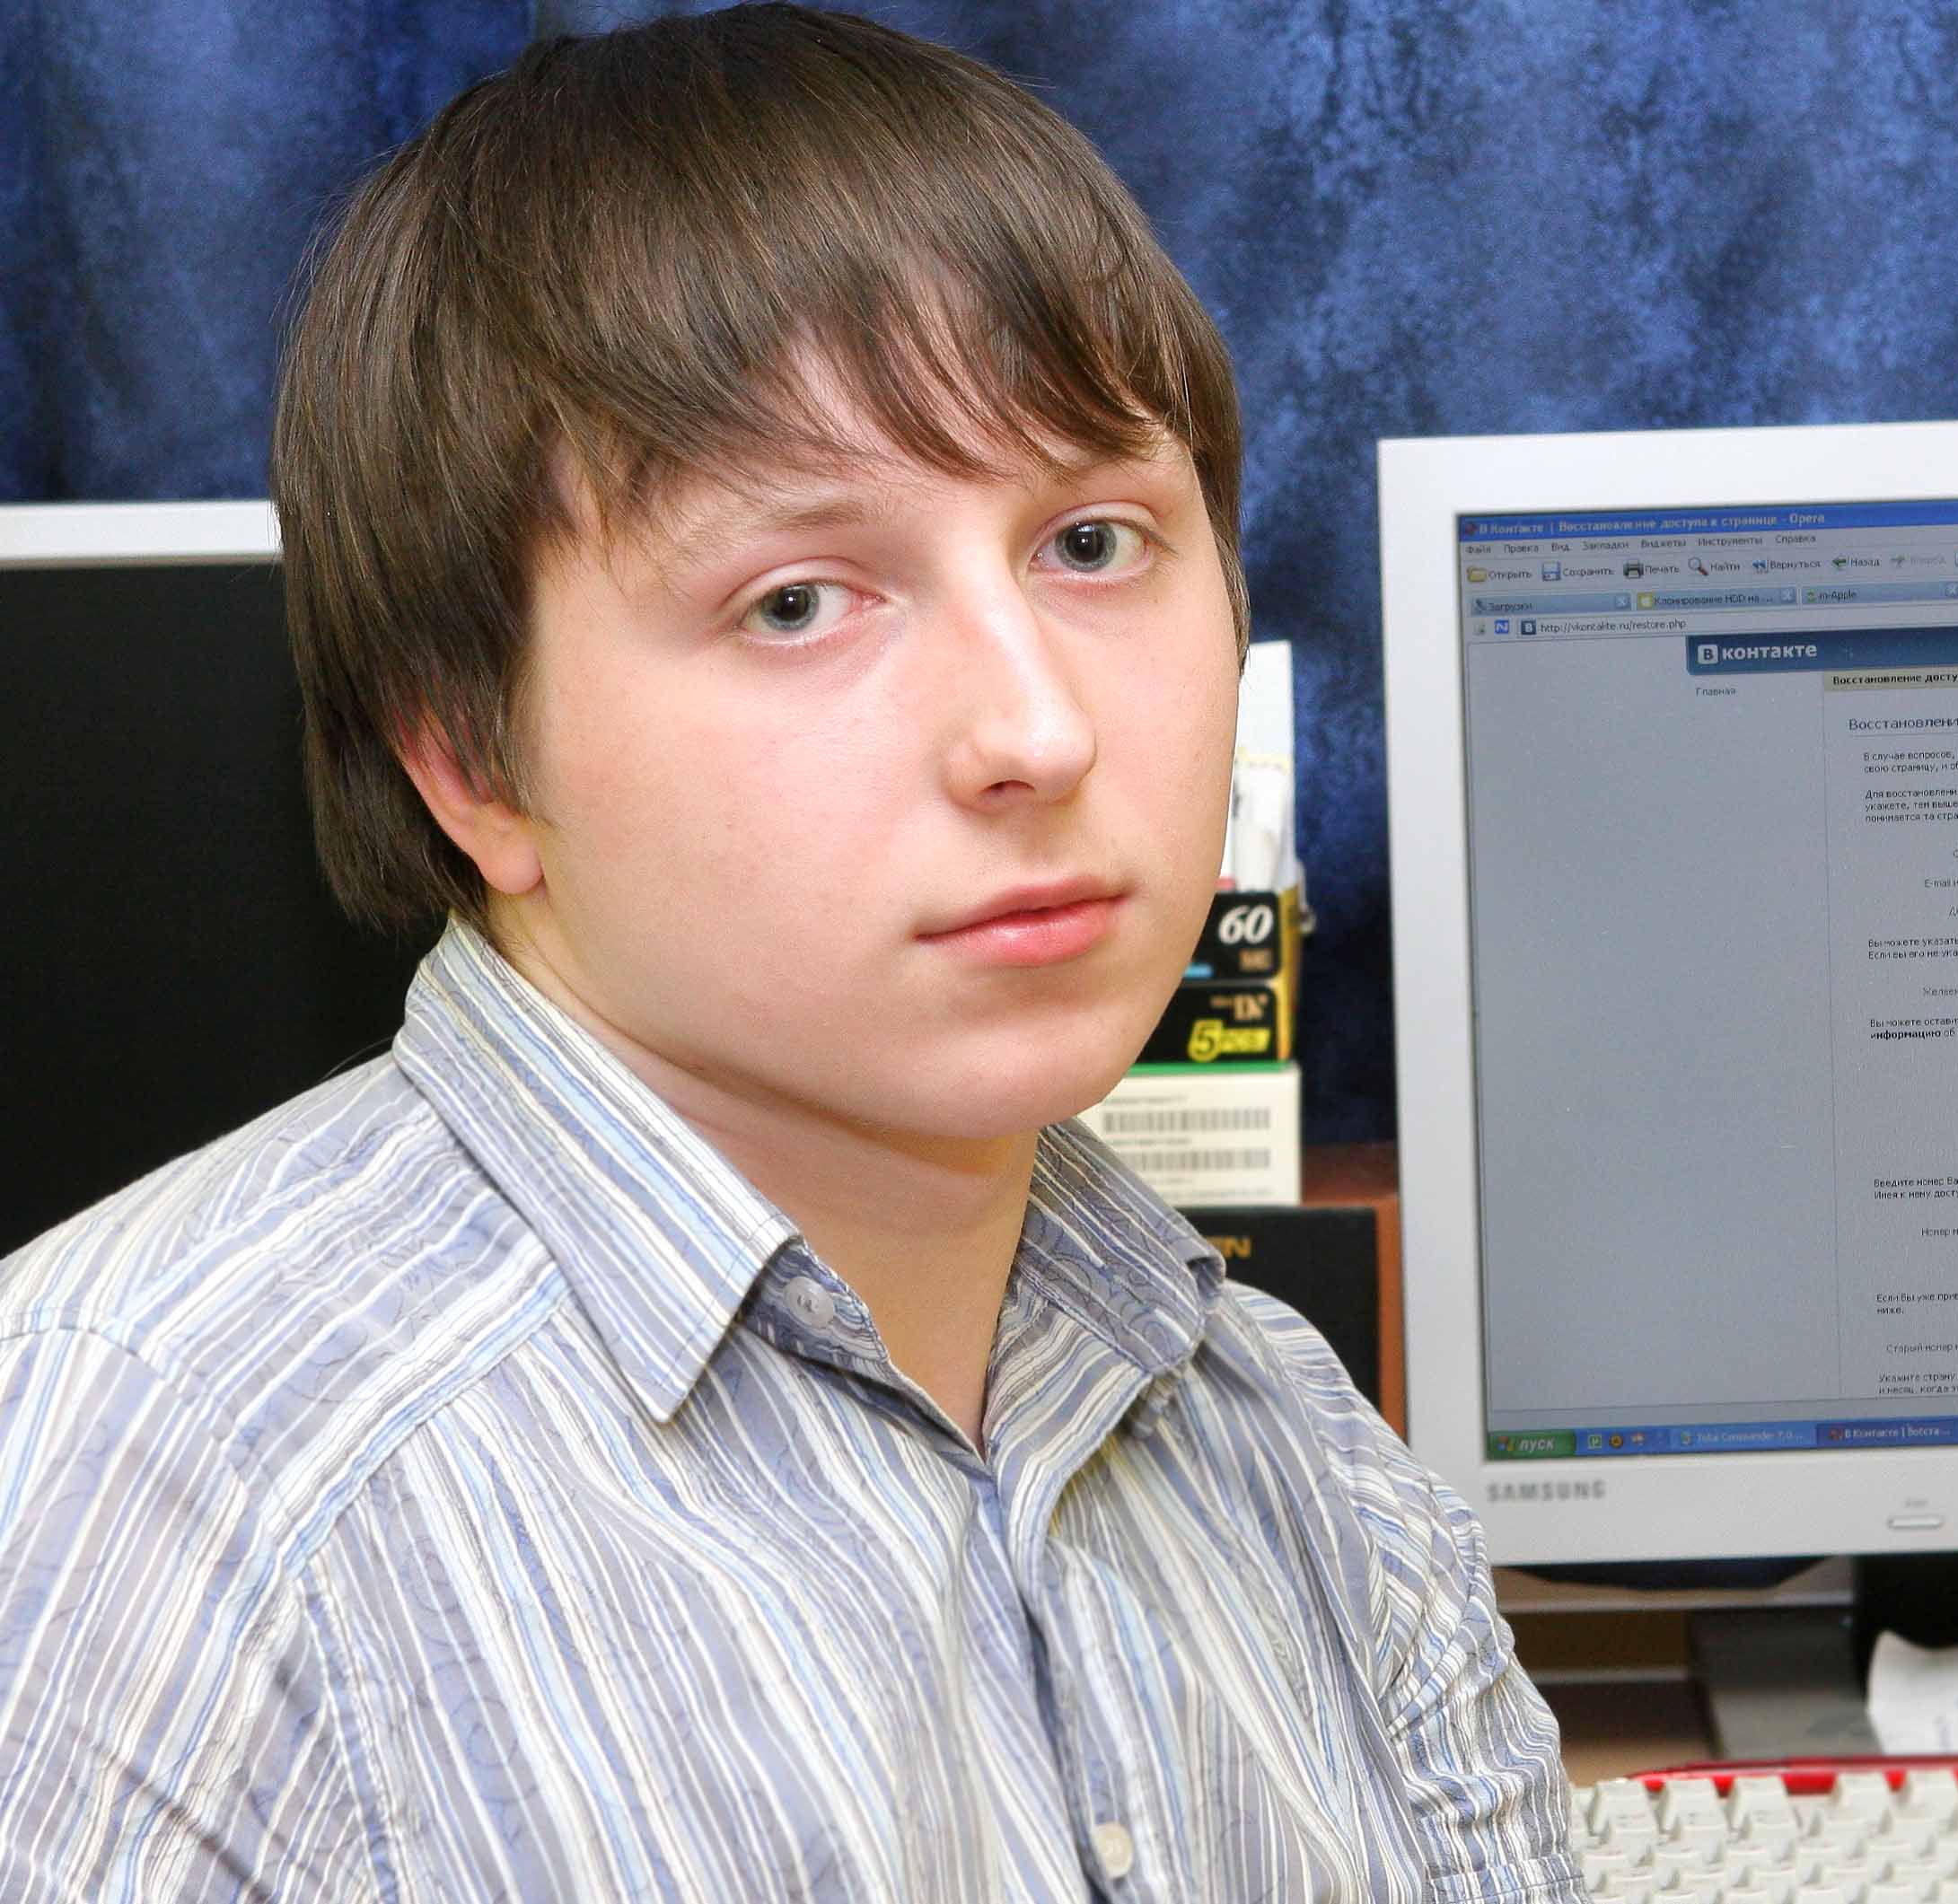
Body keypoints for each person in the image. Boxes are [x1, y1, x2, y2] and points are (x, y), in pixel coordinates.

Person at [0, 8, 1579, 1897]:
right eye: (800, 600)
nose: (1036, 730)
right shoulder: (152, 1478)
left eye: (1091, 543)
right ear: (469, 758)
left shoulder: (1296, 1450)